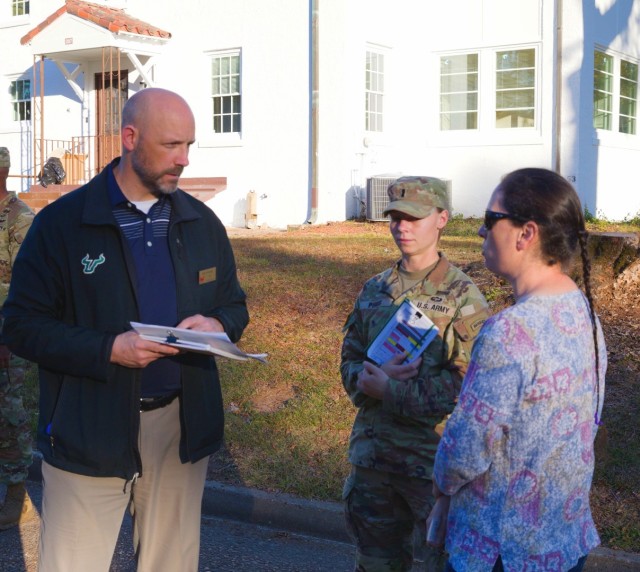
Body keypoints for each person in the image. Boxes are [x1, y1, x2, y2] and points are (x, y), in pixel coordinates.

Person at [2, 88, 249, 571]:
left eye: (189, 146)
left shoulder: (201, 224)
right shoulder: (62, 225)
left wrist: (219, 323)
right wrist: (108, 349)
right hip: (88, 424)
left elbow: (234, 305)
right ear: (130, 138)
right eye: (171, 146)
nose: (183, 160)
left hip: (178, 428)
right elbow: (21, 327)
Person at [429, 168, 607, 572]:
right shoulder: (584, 313)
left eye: (491, 220)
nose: (479, 231)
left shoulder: (510, 331)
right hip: (564, 543)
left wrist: (441, 488)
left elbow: (465, 448)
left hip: (502, 551)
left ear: (526, 234)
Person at [340, 176, 490, 571]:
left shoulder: (463, 297)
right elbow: (350, 359)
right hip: (373, 463)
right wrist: (364, 380)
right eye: (395, 217)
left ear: (441, 219)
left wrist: (391, 390)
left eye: (413, 218)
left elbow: (468, 386)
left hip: (431, 468)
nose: (401, 226)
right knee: (374, 564)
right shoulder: (375, 289)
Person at [0, 146, 36, 530]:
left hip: (6, 332)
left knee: (7, 413)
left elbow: (24, 287)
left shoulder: (21, 219)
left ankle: (17, 496)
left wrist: (8, 337)